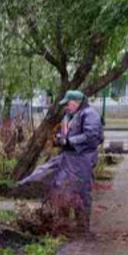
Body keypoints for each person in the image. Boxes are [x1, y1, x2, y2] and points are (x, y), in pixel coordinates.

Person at [19, 90, 103, 230]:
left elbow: (92, 136)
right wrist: (60, 138)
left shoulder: (90, 114)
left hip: (82, 159)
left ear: (76, 102)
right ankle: (21, 187)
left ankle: (81, 227)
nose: (66, 107)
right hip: (68, 156)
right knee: (56, 181)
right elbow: (68, 133)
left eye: (68, 104)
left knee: (80, 190)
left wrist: (68, 141)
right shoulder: (71, 115)